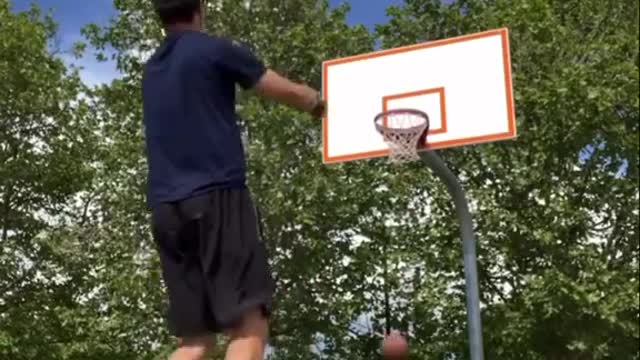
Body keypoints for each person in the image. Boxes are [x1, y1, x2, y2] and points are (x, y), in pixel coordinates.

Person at [142, 1, 325, 359]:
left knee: (194, 341)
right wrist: (318, 102)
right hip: (215, 197)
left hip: (166, 208)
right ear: (200, 9)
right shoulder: (213, 49)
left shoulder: (151, 69)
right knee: (247, 327)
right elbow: (277, 87)